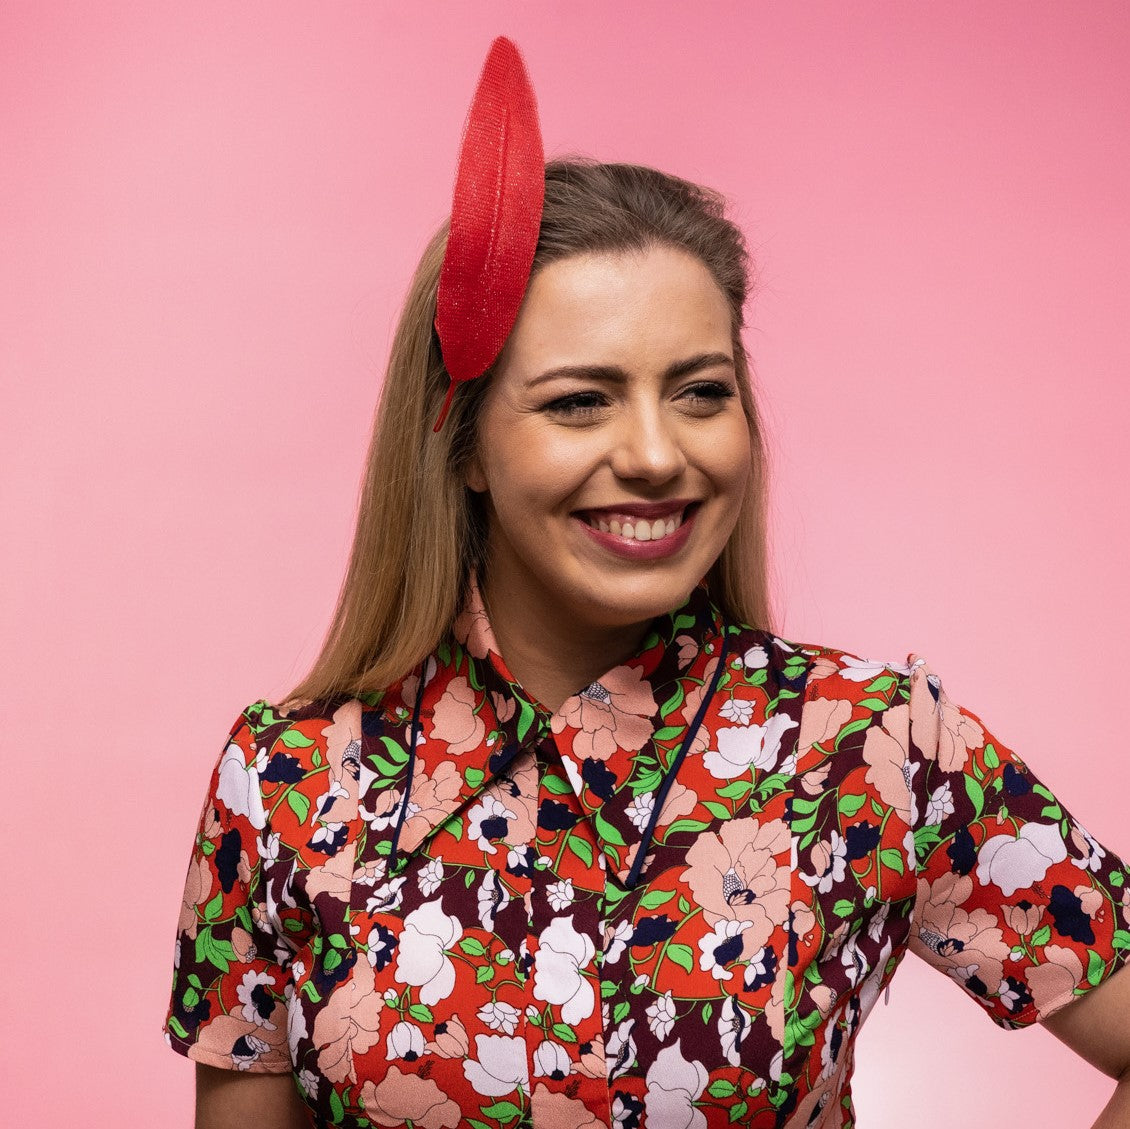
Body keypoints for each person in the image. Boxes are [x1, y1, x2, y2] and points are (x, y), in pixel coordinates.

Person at [164, 39, 1130, 1129]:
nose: (657, 455)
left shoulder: (873, 747)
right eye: (580, 400)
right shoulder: (285, 783)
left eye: (698, 392)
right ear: (465, 445)